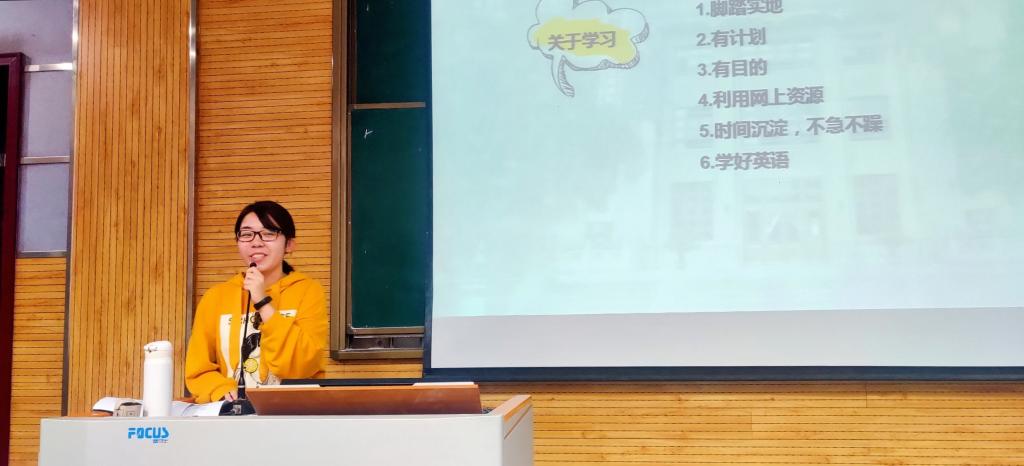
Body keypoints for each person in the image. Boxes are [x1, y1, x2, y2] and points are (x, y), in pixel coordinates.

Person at [185, 201, 327, 403]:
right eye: (246, 234)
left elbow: (302, 366)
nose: (256, 242)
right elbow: (198, 370)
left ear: (289, 244)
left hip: (292, 411)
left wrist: (262, 301)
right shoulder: (215, 297)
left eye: (268, 233)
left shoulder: (308, 291)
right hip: (233, 412)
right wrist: (220, 389)